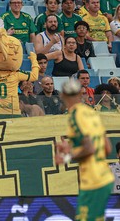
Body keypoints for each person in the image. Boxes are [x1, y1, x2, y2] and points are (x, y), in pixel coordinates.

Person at [55, 79, 114, 220]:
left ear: (63, 95)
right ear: (81, 94)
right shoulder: (91, 113)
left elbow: (89, 148)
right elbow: (107, 148)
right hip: (104, 177)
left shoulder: (75, 116)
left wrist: (67, 156)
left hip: (93, 181)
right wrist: (72, 148)